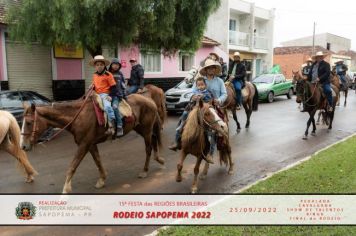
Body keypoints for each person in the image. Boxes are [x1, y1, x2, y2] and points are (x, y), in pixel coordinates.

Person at [169, 59, 227, 164]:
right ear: (206, 69)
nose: (211, 69)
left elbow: (224, 94)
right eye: (209, 68)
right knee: (184, 117)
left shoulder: (220, 81)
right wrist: (194, 96)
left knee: (214, 129)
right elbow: (192, 91)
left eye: (213, 68)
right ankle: (177, 141)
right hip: (197, 105)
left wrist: (219, 100)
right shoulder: (200, 80)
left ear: (215, 69)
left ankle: (210, 153)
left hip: (212, 106)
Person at [90, 55, 117, 135]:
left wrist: (110, 96)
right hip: (96, 94)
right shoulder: (94, 75)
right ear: (95, 66)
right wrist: (92, 87)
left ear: (104, 65)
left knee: (107, 107)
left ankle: (112, 126)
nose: (99, 66)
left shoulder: (108, 75)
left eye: (101, 65)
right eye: (97, 65)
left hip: (105, 94)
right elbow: (95, 85)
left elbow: (114, 87)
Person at [108, 58, 126, 137]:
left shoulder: (120, 74)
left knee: (115, 107)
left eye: (117, 65)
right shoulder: (107, 73)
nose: (116, 66)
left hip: (116, 96)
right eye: (114, 64)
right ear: (111, 65)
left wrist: (124, 95)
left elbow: (123, 85)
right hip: (108, 96)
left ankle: (119, 126)